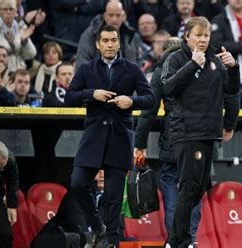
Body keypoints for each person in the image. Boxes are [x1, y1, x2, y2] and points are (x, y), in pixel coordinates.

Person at [135, 37, 240, 247]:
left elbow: (149, 110)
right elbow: (230, 96)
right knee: (194, 193)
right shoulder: (206, 65)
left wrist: (140, 143)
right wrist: (229, 123)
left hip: (172, 141)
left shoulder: (163, 70)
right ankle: (188, 240)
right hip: (200, 138)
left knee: (176, 196)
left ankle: (174, 241)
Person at [65, 24, 155, 248]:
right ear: (97, 44)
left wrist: (131, 101)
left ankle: (111, 241)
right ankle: (97, 227)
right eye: (105, 41)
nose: (109, 44)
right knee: (77, 183)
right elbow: (69, 97)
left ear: (119, 43)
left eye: (113, 40)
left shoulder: (132, 69)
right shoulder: (86, 69)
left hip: (120, 137)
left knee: (114, 197)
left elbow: (150, 98)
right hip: (93, 136)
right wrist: (91, 94)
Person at [161, 16, 240, 248]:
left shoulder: (215, 60)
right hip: (186, 133)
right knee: (188, 190)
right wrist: (192, 65)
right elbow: (168, 88)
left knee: (198, 192)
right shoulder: (174, 58)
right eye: (198, 35)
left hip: (208, 133)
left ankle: (176, 241)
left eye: (206, 35)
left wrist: (233, 69)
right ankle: (180, 241)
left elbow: (232, 90)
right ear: (187, 36)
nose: (203, 40)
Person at [0, 141, 19, 248]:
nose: (0, 171)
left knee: (5, 234)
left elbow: (12, 182)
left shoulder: (10, 160)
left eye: (2, 168)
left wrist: (11, 206)